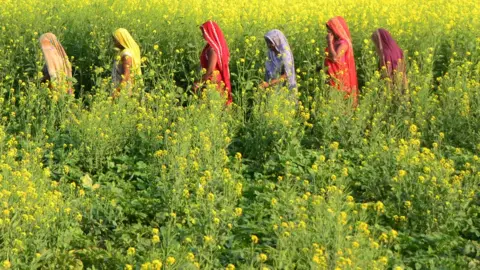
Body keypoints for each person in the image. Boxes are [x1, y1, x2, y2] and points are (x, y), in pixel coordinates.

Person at [194, 20, 232, 105]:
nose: (203, 35)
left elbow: (211, 70)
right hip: (214, 83)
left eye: (204, 32)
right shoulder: (216, 47)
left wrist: (199, 82)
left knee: (213, 109)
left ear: (210, 32)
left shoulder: (212, 50)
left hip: (213, 83)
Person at [324, 16, 358, 106]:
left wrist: (329, 42)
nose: (328, 32)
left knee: (340, 102)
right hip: (332, 76)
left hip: (340, 78)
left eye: (330, 29)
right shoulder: (336, 42)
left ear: (336, 29)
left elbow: (335, 58)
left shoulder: (344, 43)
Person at [112, 28, 142, 96]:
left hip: (123, 92)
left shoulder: (126, 54)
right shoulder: (122, 52)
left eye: (115, 39)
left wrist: (117, 91)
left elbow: (126, 75)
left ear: (121, 39)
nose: (113, 41)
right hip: (120, 89)